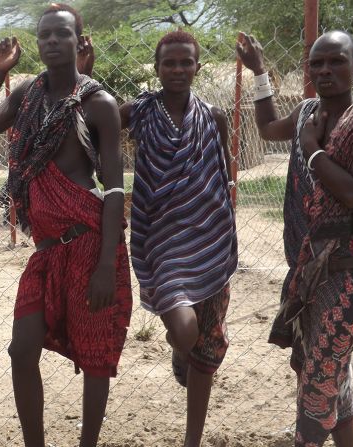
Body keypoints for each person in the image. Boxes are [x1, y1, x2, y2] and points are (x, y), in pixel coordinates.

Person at [0, 4, 132, 446]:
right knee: (21, 351)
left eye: (62, 34)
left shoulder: (99, 104)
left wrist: (107, 268)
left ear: (79, 40)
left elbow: (114, 189)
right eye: (45, 36)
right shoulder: (27, 95)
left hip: (91, 243)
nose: (52, 42)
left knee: (95, 357)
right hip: (47, 249)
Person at [237, 30, 353, 446]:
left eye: (336, 61)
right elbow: (266, 129)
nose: (325, 70)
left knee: (317, 383)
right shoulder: (307, 112)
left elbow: (351, 191)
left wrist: (313, 150)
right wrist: (260, 73)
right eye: (317, 63)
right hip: (307, 267)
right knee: (325, 372)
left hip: (349, 275)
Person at [118, 30, 237, 447]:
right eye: (169, 62)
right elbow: (94, 126)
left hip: (210, 239)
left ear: (197, 67)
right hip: (162, 241)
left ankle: (192, 440)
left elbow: (218, 179)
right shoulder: (137, 113)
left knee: (205, 354)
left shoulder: (214, 117)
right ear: (157, 68)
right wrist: (85, 72)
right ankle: (177, 347)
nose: (178, 69)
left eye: (186, 62)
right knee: (187, 332)